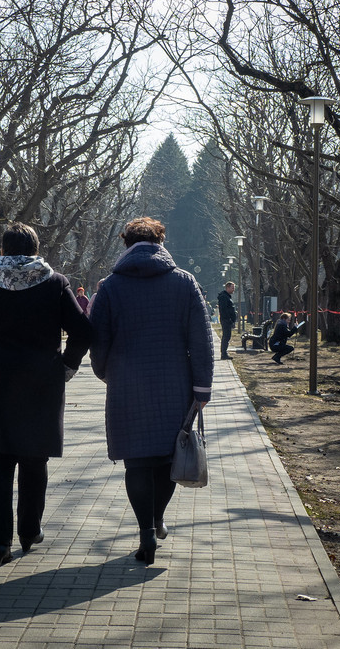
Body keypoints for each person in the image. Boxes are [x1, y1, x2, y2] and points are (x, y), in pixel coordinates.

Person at [0, 222, 92, 567]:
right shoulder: (55, 283)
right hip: (41, 383)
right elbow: (83, 331)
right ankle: (29, 531)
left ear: (2, 250)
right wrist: (66, 367)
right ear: (36, 250)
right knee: (33, 459)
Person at [89, 217, 214, 565]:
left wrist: (104, 373)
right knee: (168, 458)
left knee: (137, 463)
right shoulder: (185, 282)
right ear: (161, 242)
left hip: (127, 387)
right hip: (174, 385)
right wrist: (202, 388)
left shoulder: (112, 285)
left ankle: (146, 532)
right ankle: (158, 518)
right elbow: (201, 339)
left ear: (126, 243)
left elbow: (97, 339)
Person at [217, 281, 236, 359]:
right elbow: (224, 310)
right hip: (226, 320)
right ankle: (224, 354)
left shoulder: (227, 296)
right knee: (226, 336)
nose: (233, 290)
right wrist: (228, 319)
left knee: (227, 336)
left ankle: (224, 353)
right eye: (232, 288)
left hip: (227, 320)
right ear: (227, 287)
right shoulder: (224, 297)